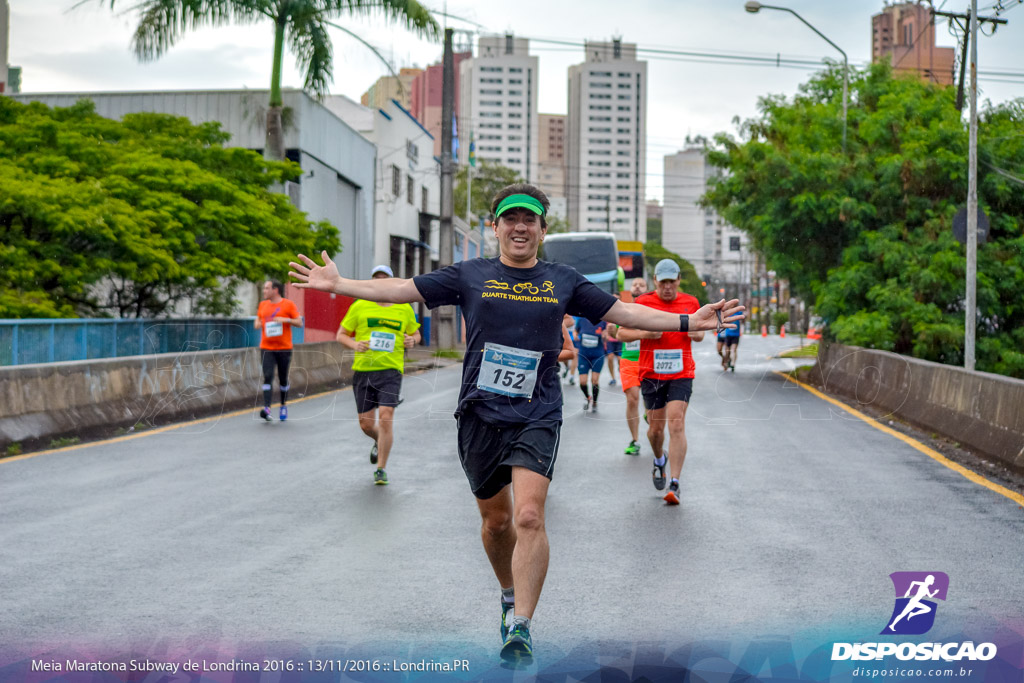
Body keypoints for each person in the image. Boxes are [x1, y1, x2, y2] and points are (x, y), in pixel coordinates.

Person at [289, 184, 743, 664]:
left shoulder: (563, 280)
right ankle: (508, 594)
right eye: (510, 219)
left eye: (529, 220)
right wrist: (338, 285)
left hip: (538, 411)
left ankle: (522, 624)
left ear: (543, 230)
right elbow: (400, 289)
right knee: (497, 521)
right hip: (480, 414)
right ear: (496, 227)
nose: (520, 227)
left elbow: (623, 311)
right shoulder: (470, 274)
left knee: (528, 515)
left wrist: (687, 322)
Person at [616, 260, 704, 506]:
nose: (667, 287)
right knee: (655, 431)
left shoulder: (690, 303)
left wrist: (693, 331)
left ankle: (675, 484)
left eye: (671, 281)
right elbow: (620, 333)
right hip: (651, 373)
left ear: (678, 281)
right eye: (662, 281)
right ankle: (658, 460)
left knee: (676, 423)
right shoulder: (643, 303)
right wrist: (646, 333)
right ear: (655, 280)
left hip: (681, 372)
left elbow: (700, 333)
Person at [336, 264, 421, 486]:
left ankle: (381, 468)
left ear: (391, 282)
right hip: (364, 370)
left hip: (391, 370)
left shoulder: (404, 308)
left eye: (385, 278)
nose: (381, 281)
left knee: (386, 417)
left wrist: (413, 340)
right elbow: (341, 335)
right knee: (365, 424)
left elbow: (415, 334)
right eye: (377, 278)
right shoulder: (360, 305)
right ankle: (379, 440)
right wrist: (355, 344)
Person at [607, 277, 648, 455]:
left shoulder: (653, 310)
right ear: (630, 289)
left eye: (641, 285)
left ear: (647, 288)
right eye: (635, 284)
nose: (637, 287)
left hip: (649, 360)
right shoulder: (623, 309)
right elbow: (617, 334)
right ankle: (635, 439)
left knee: (651, 399)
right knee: (632, 399)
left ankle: (649, 412)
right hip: (629, 359)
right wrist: (612, 332)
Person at [254, 280, 303, 422]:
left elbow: (299, 322)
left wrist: (284, 320)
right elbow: (257, 322)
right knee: (267, 376)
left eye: (266, 288)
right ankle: (267, 408)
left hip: (284, 348)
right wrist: (260, 323)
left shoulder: (288, 305)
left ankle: (283, 405)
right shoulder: (263, 305)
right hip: (267, 348)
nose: (264, 291)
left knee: (283, 378)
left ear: (275, 290)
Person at [574, 316, 607, 412]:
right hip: (584, 355)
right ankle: (588, 397)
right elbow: (575, 331)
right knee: (582, 382)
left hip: (598, 355)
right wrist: (575, 335)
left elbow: (607, 337)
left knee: (595, 381)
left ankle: (595, 402)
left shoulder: (602, 322)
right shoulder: (581, 320)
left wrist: (605, 336)